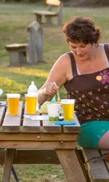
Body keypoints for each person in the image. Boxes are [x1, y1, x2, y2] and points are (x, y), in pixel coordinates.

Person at [38, 16, 109, 150]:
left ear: (94, 41)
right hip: (89, 124)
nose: (79, 52)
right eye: (73, 47)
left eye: (83, 46)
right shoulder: (66, 62)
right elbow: (39, 99)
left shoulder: (108, 52)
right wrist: (45, 92)